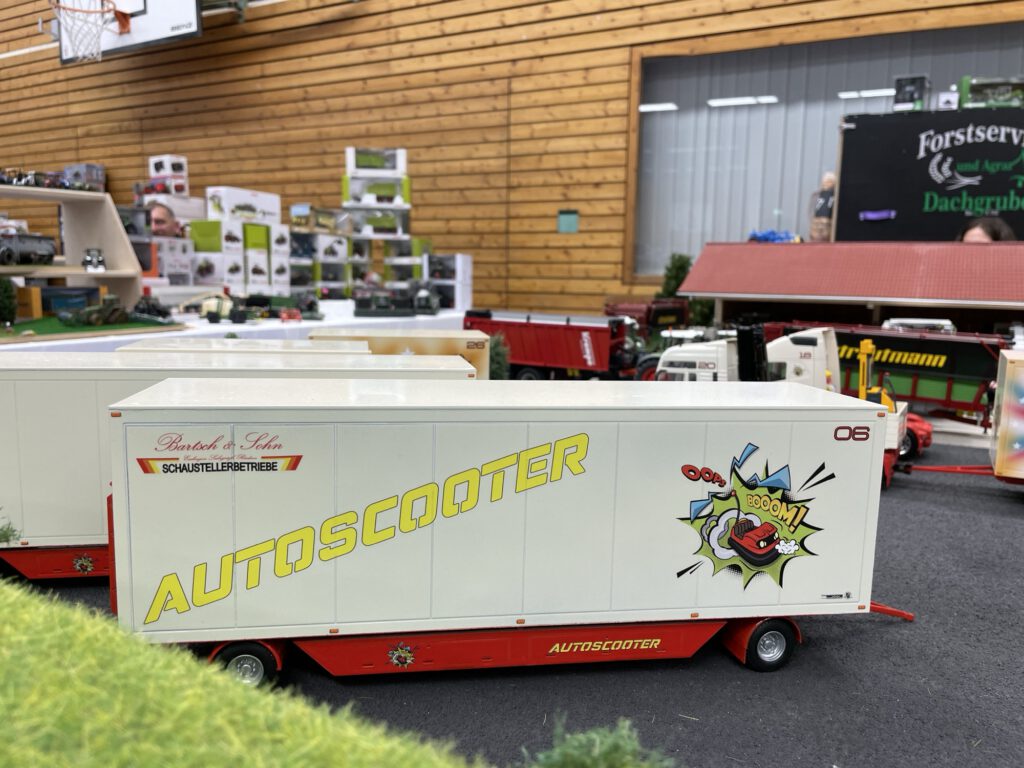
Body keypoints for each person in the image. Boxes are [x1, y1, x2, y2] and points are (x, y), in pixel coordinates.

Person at [808, 171, 836, 242]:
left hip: (827, 224)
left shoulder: (835, 195)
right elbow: (811, 211)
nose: (828, 184)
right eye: (826, 182)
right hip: (818, 223)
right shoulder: (816, 195)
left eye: (830, 182)